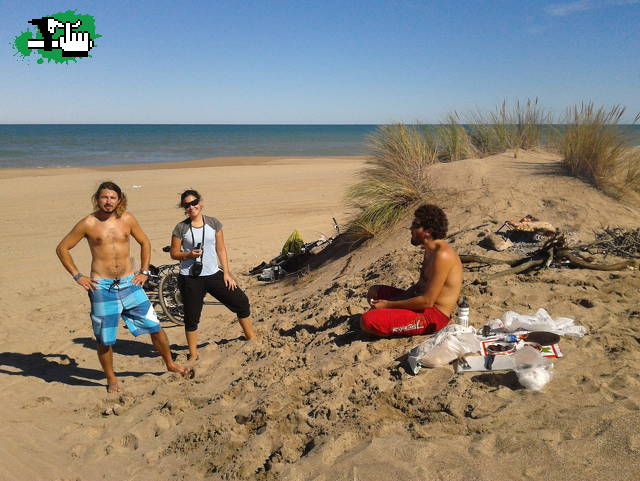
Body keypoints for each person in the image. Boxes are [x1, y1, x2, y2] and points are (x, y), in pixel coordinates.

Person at [56, 181, 192, 393]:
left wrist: (144, 272)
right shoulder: (88, 223)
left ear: (119, 199)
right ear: (97, 199)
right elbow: (62, 248)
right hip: (101, 287)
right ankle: (111, 378)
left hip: (130, 284)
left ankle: (170, 364)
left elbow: (145, 242)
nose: (108, 201)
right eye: (104, 197)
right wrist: (78, 276)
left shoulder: (127, 218)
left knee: (155, 327)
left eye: (112, 197)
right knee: (105, 339)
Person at [170, 189, 255, 361]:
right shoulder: (181, 228)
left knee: (241, 301)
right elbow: (174, 253)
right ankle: (193, 354)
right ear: (184, 208)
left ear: (200, 203)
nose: (192, 207)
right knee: (192, 317)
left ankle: (250, 336)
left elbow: (221, 249)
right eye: (187, 205)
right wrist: (188, 255)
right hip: (190, 277)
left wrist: (227, 273)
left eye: (194, 203)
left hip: (213, 274)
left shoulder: (213, 223)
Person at [360, 204, 462, 337]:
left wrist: (389, 305)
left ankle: (387, 321)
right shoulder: (430, 250)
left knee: (367, 320)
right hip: (420, 304)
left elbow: (427, 301)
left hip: (434, 316)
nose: (411, 229)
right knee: (375, 291)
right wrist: (396, 300)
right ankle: (387, 318)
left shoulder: (443, 255)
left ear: (428, 231)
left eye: (415, 226)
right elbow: (419, 286)